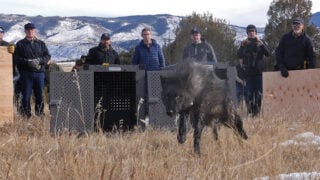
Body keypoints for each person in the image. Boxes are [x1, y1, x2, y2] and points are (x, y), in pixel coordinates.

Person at [13, 23, 51, 118]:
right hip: (26, 74)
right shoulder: (20, 44)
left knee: (39, 96)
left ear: (35, 31)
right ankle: (26, 115)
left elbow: (47, 56)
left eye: (32, 30)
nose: (30, 31)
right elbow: (16, 58)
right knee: (26, 96)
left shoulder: (41, 43)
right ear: (25, 31)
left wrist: (39, 61)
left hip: (39, 74)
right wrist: (27, 62)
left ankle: (40, 115)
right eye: (28, 30)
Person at [237, 24, 270, 117]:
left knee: (259, 94)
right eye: (249, 32)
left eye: (253, 31)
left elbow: (268, 53)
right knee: (248, 94)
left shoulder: (261, 42)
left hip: (259, 73)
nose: (251, 33)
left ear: (256, 32)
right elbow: (239, 55)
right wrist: (243, 46)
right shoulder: (244, 43)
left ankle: (257, 113)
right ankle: (250, 112)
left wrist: (262, 45)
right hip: (248, 73)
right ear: (247, 33)